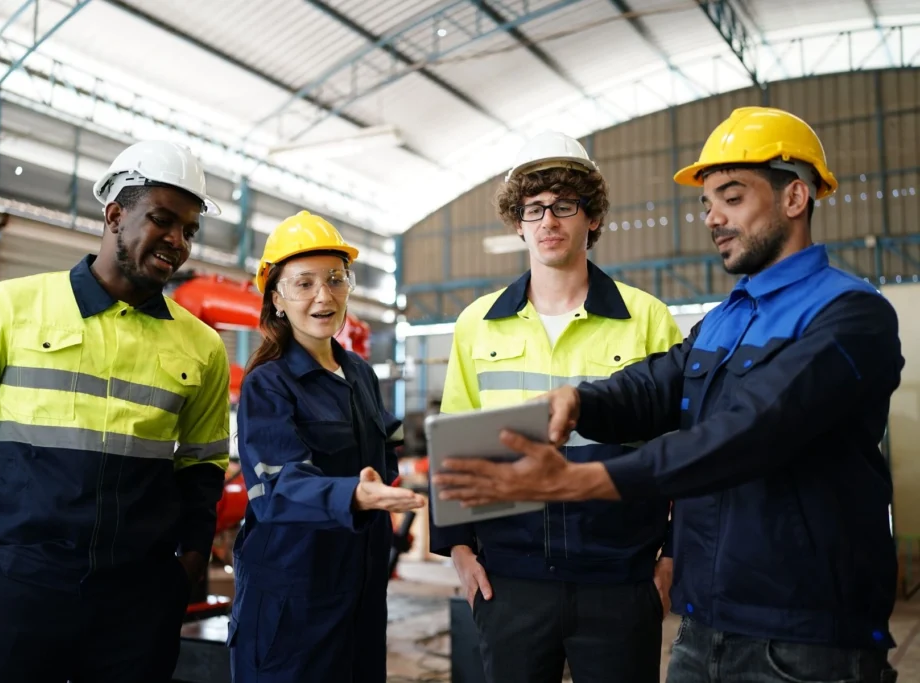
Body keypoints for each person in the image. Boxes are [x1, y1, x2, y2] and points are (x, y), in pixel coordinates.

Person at [433, 107, 903, 683]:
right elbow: (656, 383)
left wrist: (586, 484)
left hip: (802, 630)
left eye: (731, 197)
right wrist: (578, 402)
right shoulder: (727, 319)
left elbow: (751, 431)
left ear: (795, 197)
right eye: (708, 203)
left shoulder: (850, 314)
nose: (714, 218)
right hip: (706, 622)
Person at [0, 139, 232, 683]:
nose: (177, 242)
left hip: (137, 606)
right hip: (17, 591)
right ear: (114, 215)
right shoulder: (5, 309)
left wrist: (185, 570)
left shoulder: (201, 346)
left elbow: (203, 470)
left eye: (189, 230)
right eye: (163, 220)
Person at [429, 131, 684, 683]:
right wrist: (459, 551)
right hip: (510, 580)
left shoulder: (648, 319)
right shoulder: (478, 324)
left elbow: (684, 450)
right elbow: (453, 444)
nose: (549, 221)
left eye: (565, 205)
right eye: (534, 208)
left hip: (620, 577)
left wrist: (671, 558)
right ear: (517, 222)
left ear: (591, 218)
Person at [228, 210, 426, 683]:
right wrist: (354, 496)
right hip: (292, 598)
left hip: (360, 591)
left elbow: (384, 445)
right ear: (276, 298)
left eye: (336, 279)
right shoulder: (268, 384)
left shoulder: (359, 373)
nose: (324, 295)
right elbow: (276, 489)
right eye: (304, 283)